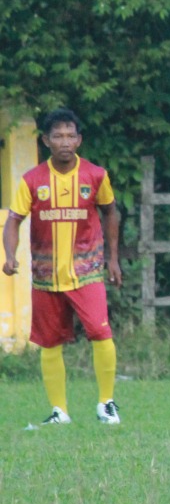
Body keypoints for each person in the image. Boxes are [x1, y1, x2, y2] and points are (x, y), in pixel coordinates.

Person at [2, 108, 123, 425]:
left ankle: (106, 403)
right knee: (50, 342)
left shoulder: (96, 176)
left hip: (88, 272)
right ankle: (59, 411)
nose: (65, 141)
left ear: (79, 140)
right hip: (46, 277)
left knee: (100, 332)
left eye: (71, 135)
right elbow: (14, 220)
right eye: (58, 136)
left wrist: (112, 258)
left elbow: (111, 212)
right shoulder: (33, 180)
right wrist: (10, 255)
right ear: (46, 140)